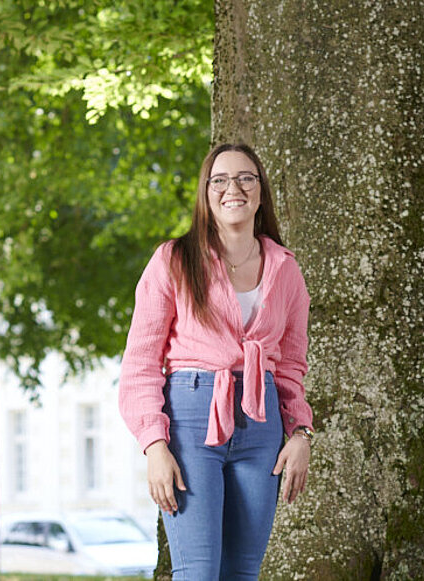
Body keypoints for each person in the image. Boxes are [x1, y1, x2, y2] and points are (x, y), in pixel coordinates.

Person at [118, 143, 315, 580]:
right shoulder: (173, 260)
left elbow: (290, 366)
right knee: (198, 572)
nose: (234, 188)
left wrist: (300, 433)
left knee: (243, 573)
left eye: (246, 178)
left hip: (260, 426)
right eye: (220, 180)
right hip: (191, 421)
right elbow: (140, 364)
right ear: (206, 194)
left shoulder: (286, 269)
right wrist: (154, 446)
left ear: (261, 192)